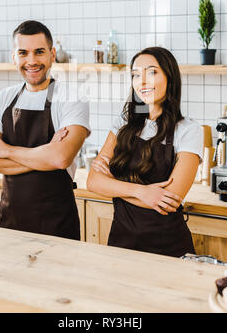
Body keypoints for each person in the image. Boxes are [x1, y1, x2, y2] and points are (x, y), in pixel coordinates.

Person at [0, 20, 91, 240]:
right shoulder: (2, 99)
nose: (31, 61)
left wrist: (7, 150)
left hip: (57, 226)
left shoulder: (72, 97)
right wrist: (45, 153)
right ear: (14, 57)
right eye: (23, 53)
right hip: (9, 223)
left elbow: (60, 158)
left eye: (39, 52)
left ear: (52, 54)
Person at [86, 47, 203, 257]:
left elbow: (169, 201)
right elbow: (93, 182)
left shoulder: (188, 130)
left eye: (152, 72)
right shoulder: (124, 123)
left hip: (167, 248)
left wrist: (113, 185)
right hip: (121, 244)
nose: (142, 81)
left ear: (170, 77)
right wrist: (143, 192)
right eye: (136, 75)